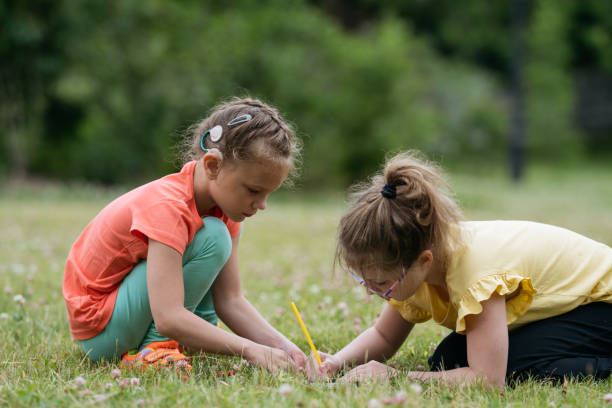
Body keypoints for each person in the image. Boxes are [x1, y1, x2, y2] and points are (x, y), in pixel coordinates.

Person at [312, 150, 612, 387]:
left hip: (602, 305)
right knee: (449, 360)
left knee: (512, 367)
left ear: (423, 261)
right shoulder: (419, 260)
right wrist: (336, 363)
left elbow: (486, 381)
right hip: (570, 309)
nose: (371, 291)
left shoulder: (475, 274)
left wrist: (394, 377)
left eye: (380, 283)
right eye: (362, 279)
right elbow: (384, 336)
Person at [63, 97, 307, 373]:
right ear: (213, 166)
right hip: (102, 330)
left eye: (267, 194)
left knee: (214, 235)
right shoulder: (168, 206)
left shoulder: (226, 210)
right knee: (213, 237)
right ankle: (157, 347)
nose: (262, 205)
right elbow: (167, 317)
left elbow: (230, 300)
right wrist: (249, 349)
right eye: (253, 191)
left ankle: (189, 342)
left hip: (127, 315)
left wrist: (285, 350)